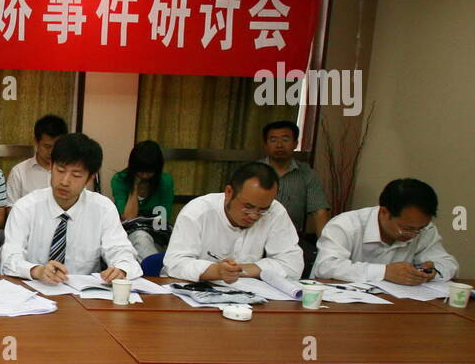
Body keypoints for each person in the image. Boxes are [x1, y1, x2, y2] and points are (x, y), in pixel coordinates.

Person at [2, 133, 141, 284]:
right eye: (60, 170)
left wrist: (121, 269)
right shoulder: (26, 207)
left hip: (83, 297)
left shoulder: (103, 209)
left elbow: (123, 252)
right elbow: (9, 259)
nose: (65, 181)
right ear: (51, 167)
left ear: (90, 178)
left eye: (76, 175)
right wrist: (37, 270)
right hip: (34, 292)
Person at [164, 162, 302, 283]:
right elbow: (175, 264)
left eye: (262, 210)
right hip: (193, 295)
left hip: (249, 297)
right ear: (229, 192)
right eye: (248, 207)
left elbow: (293, 266)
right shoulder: (198, 212)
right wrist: (216, 271)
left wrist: (240, 270)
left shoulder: (275, 211)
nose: (254, 216)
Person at [313, 178, 458, 284]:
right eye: (407, 229)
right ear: (384, 212)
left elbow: (448, 264)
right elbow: (326, 267)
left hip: (396, 306)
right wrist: (385, 272)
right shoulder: (346, 225)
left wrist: (433, 271)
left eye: (419, 229)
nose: (413, 235)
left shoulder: (425, 229)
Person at [260, 119, 329, 276]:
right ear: (265, 144)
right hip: (255, 237)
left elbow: (319, 212)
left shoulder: (307, 174)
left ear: (295, 143)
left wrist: (327, 249)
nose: (279, 145)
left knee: (308, 267)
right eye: (273, 140)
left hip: (292, 239)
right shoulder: (253, 172)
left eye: (285, 139)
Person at [110, 140, 175, 260]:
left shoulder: (165, 181)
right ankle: (155, 274)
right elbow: (129, 217)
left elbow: (163, 217)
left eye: (149, 171)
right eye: (141, 170)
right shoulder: (120, 180)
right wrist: (134, 187)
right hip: (130, 233)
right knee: (141, 237)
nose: (144, 175)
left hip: (158, 231)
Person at [6, 114, 68, 206]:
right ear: (36, 141)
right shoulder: (19, 172)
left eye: (57, 146)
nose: (52, 152)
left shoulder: (70, 172)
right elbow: (11, 208)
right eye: (47, 146)